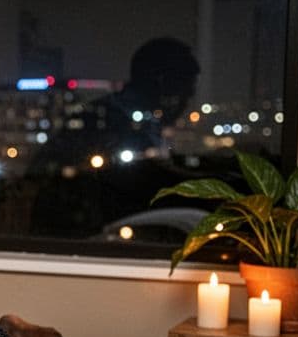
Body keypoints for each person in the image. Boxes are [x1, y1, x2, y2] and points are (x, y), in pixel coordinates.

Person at [27, 37, 202, 238]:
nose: (187, 100)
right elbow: (144, 180)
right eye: (184, 90)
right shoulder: (109, 123)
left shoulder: (125, 118)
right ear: (163, 83)